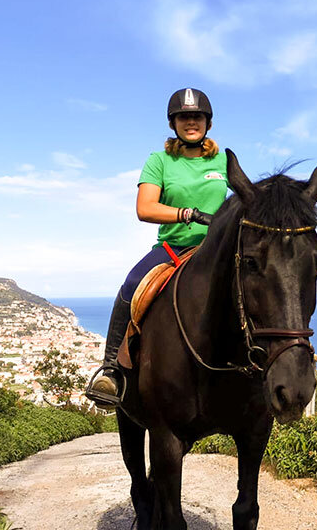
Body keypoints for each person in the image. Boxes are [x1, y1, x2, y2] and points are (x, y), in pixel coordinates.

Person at [87, 87, 228, 408]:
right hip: (173, 249)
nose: (190, 122)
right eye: (183, 117)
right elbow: (145, 208)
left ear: (207, 122)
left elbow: (244, 199)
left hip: (216, 250)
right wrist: (188, 214)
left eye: (196, 116)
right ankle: (111, 371)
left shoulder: (223, 159)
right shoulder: (160, 161)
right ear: (173, 123)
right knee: (132, 283)